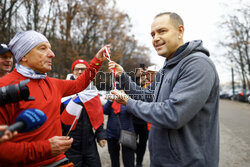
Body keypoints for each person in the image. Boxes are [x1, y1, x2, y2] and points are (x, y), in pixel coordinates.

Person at [109, 12, 220, 167]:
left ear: (180, 31)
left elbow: (173, 114)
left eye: (162, 31)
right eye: (152, 34)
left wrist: (128, 102)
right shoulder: (165, 69)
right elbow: (147, 96)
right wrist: (123, 77)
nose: (155, 38)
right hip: (161, 161)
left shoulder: (198, 65)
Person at [0, 30, 108, 167]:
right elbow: (2, 152)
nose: (52, 54)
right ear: (24, 56)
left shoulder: (53, 83)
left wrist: (97, 60)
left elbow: (79, 84)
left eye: (50, 49)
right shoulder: (4, 88)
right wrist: (46, 148)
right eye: (43, 48)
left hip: (61, 161)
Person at [60, 59, 107, 167]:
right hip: (69, 143)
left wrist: (101, 135)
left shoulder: (92, 92)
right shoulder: (63, 90)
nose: (80, 72)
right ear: (72, 71)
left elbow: (98, 115)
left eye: (83, 69)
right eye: (77, 69)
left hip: (89, 142)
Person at [103, 88, 135, 167]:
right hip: (112, 134)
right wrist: (110, 100)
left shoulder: (128, 99)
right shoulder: (111, 102)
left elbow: (134, 111)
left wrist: (125, 99)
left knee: (129, 160)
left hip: (127, 133)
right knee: (114, 159)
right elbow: (104, 111)